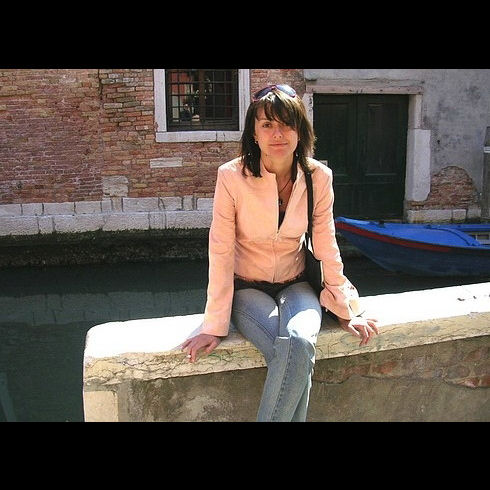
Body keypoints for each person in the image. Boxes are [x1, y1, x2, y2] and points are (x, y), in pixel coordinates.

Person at [182, 83, 379, 422]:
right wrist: (213, 325)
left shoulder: (319, 177)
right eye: (267, 124)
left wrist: (345, 309)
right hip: (247, 288)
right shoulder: (231, 176)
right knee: (294, 353)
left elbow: (326, 243)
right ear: (254, 133)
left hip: (297, 283)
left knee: (299, 342)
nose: (278, 134)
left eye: (287, 124)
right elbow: (221, 250)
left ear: (300, 131)